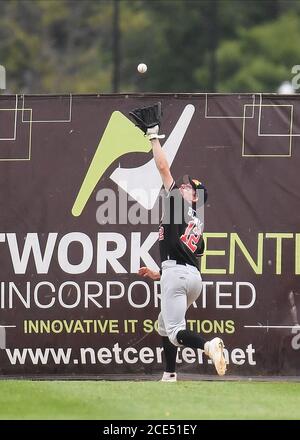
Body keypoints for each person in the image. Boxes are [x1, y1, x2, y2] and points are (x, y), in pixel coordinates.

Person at [129, 102, 227, 382]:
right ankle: (169, 375)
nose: (184, 187)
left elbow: (161, 166)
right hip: (191, 277)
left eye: (190, 188)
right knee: (164, 325)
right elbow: (187, 256)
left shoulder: (177, 205)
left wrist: (153, 136)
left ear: (194, 197)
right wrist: (159, 273)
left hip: (178, 276)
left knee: (174, 330)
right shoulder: (196, 219)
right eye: (185, 185)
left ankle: (208, 346)